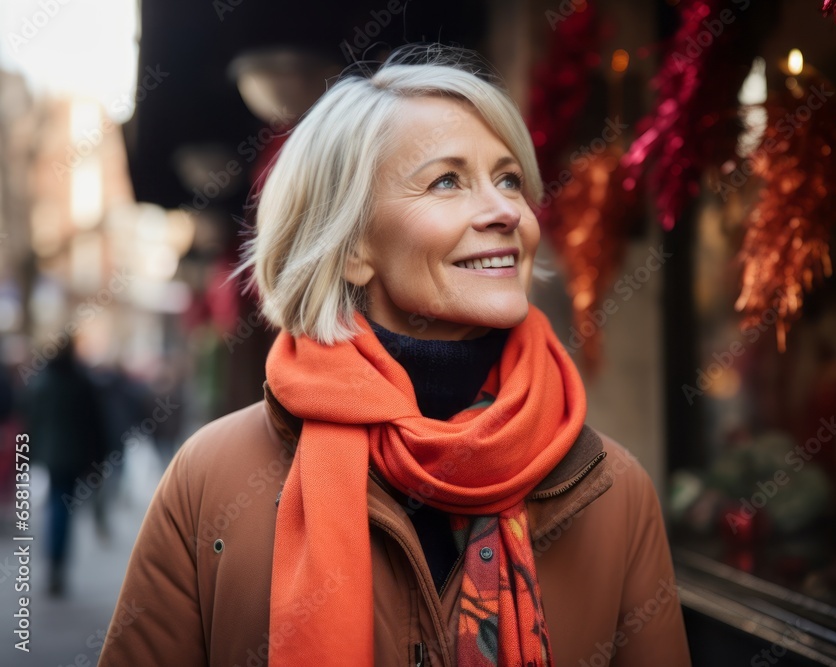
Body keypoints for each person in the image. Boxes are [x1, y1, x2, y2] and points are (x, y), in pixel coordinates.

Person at [99, 44, 690, 666]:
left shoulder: (610, 489)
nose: (505, 212)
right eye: (447, 181)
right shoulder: (212, 479)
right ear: (351, 245)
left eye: (510, 179)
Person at [26, 340, 108, 596]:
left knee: (56, 504)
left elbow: (30, 419)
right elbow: (94, 422)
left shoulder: (42, 382)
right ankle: (57, 562)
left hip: (52, 455)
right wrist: (98, 457)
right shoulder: (81, 383)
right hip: (73, 455)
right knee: (63, 505)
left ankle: (55, 561)